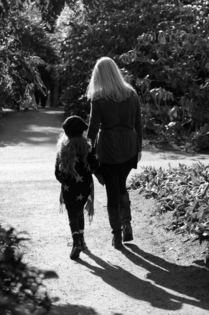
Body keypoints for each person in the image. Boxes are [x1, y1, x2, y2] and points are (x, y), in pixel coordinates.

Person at [87, 56, 142, 250]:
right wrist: (139, 148)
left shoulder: (99, 97)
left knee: (112, 190)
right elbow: (138, 123)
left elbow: (93, 128)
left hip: (109, 147)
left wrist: (87, 148)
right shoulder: (131, 94)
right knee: (121, 186)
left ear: (99, 75)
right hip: (129, 145)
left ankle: (117, 235)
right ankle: (127, 224)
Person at [55, 115, 98, 260]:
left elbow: (57, 172)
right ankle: (82, 241)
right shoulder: (88, 147)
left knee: (72, 214)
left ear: (66, 132)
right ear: (82, 132)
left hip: (69, 188)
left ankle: (76, 242)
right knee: (80, 211)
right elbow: (94, 166)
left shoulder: (63, 149)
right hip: (85, 186)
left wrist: (64, 181)